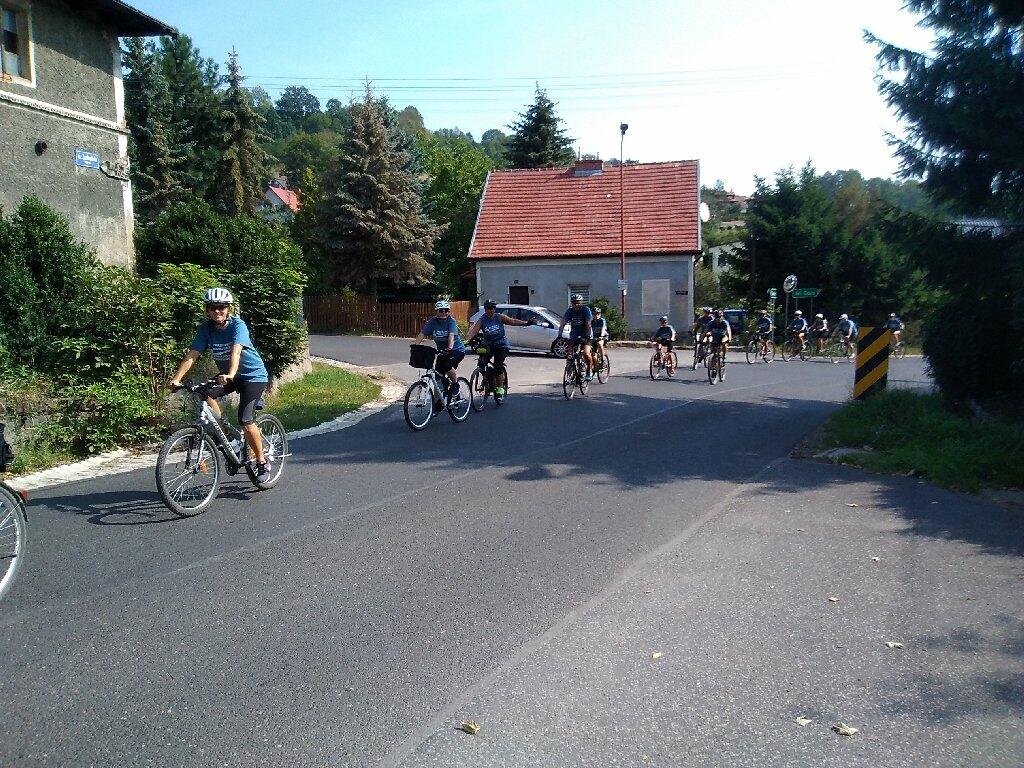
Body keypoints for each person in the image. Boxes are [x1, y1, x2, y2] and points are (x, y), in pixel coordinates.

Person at [170, 287, 272, 483]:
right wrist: (177, 379)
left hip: (252, 376)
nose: (217, 311)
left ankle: (261, 462)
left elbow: (236, 351)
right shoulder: (206, 329)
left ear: (228, 309)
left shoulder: (238, 325)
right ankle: (228, 436)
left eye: (222, 307)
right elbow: (192, 355)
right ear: (207, 309)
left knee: (245, 420)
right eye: (213, 307)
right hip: (228, 375)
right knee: (205, 394)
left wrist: (231, 373)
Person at [465, 299, 532, 401]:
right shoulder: (482, 319)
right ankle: (488, 381)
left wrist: (526, 323)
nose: (489, 310)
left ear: (494, 309)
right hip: (489, 346)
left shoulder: (499, 317)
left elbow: (512, 321)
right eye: (488, 308)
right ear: (485, 309)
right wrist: (467, 340)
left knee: (498, 365)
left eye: (492, 308)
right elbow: (474, 331)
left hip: (502, 346)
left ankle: (500, 388)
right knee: (481, 363)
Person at [414, 300, 467, 402]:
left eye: (446, 311)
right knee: (438, 378)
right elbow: (422, 334)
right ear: (436, 311)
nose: (444, 313)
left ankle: (455, 384)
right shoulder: (432, 322)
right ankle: (437, 404)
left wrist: (450, 348)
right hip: (442, 352)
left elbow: (451, 336)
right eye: (441, 311)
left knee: (446, 366)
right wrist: (415, 346)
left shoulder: (451, 321)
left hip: (456, 350)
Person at [558, 294, 594, 380]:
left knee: (586, 353)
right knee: (570, 353)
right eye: (574, 303)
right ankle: (570, 368)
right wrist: (559, 335)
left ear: (581, 302)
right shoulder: (570, 311)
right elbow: (563, 323)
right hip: (574, 335)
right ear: (571, 303)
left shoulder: (586, 310)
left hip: (586, 334)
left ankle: (589, 371)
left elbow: (588, 324)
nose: (576, 304)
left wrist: (587, 336)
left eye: (578, 302)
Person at [706, 309, 733, 378]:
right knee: (713, 351)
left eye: (719, 317)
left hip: (723, 336)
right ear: (714, 317)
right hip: (715, 337)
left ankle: (724, 355)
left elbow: (728, 331)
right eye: (717, 317)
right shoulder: (711, 323)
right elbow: (706, 331)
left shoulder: (724, 322)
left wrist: (729, 338)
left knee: (724, 342)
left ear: (722, 316)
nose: (718, 318)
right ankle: (713, 368)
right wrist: (704, 337)